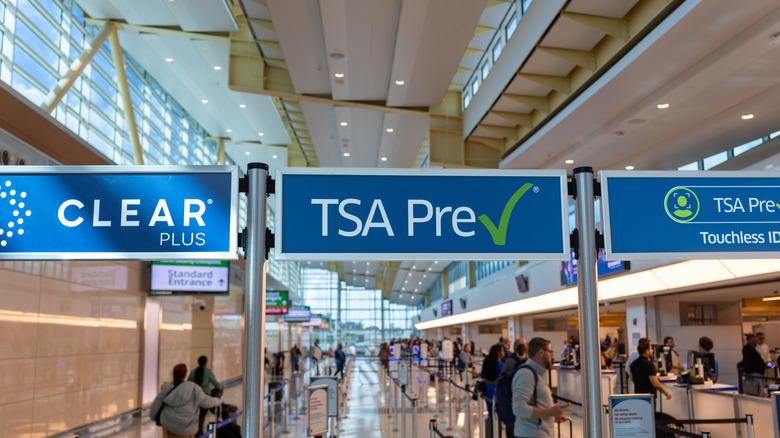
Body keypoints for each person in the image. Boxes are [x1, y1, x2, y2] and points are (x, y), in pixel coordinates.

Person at [511, 337, 568, 437]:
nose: (551, 356)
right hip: (530, 434)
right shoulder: (527, 374)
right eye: (550, 352)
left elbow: (535, 404)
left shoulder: (537, 373)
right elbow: (518, 408)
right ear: (541, 352)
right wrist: (550, 412)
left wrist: (551, 415)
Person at [151, 363, 222, 438]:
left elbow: (156, 404)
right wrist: (218, 401)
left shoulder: (167, 388)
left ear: (173, 374)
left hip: (168, 425)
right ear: (185, 375)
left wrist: (154, 417)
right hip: (186, 428)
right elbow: (206, 401)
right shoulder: (192, 388)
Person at [187, 356, 223, 438]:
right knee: (202, 418)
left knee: (196, 418)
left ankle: (196, 434)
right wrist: (222, 387)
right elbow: (216, 384)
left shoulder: (193, 372)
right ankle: (200, 434)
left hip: (195, 398)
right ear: (206, 363)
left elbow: (188, 384)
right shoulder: (208, 371)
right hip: (205, 398)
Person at [481, 344, 505, 418]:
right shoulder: (501, 365)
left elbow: (482, 375)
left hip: (486, 387)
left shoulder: (486, 361)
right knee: (498, 409)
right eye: (502, 351)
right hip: (496, 388)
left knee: (490, 409)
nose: (503, 352)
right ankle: (497, 427)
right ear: (498, 352)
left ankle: (491, 426)